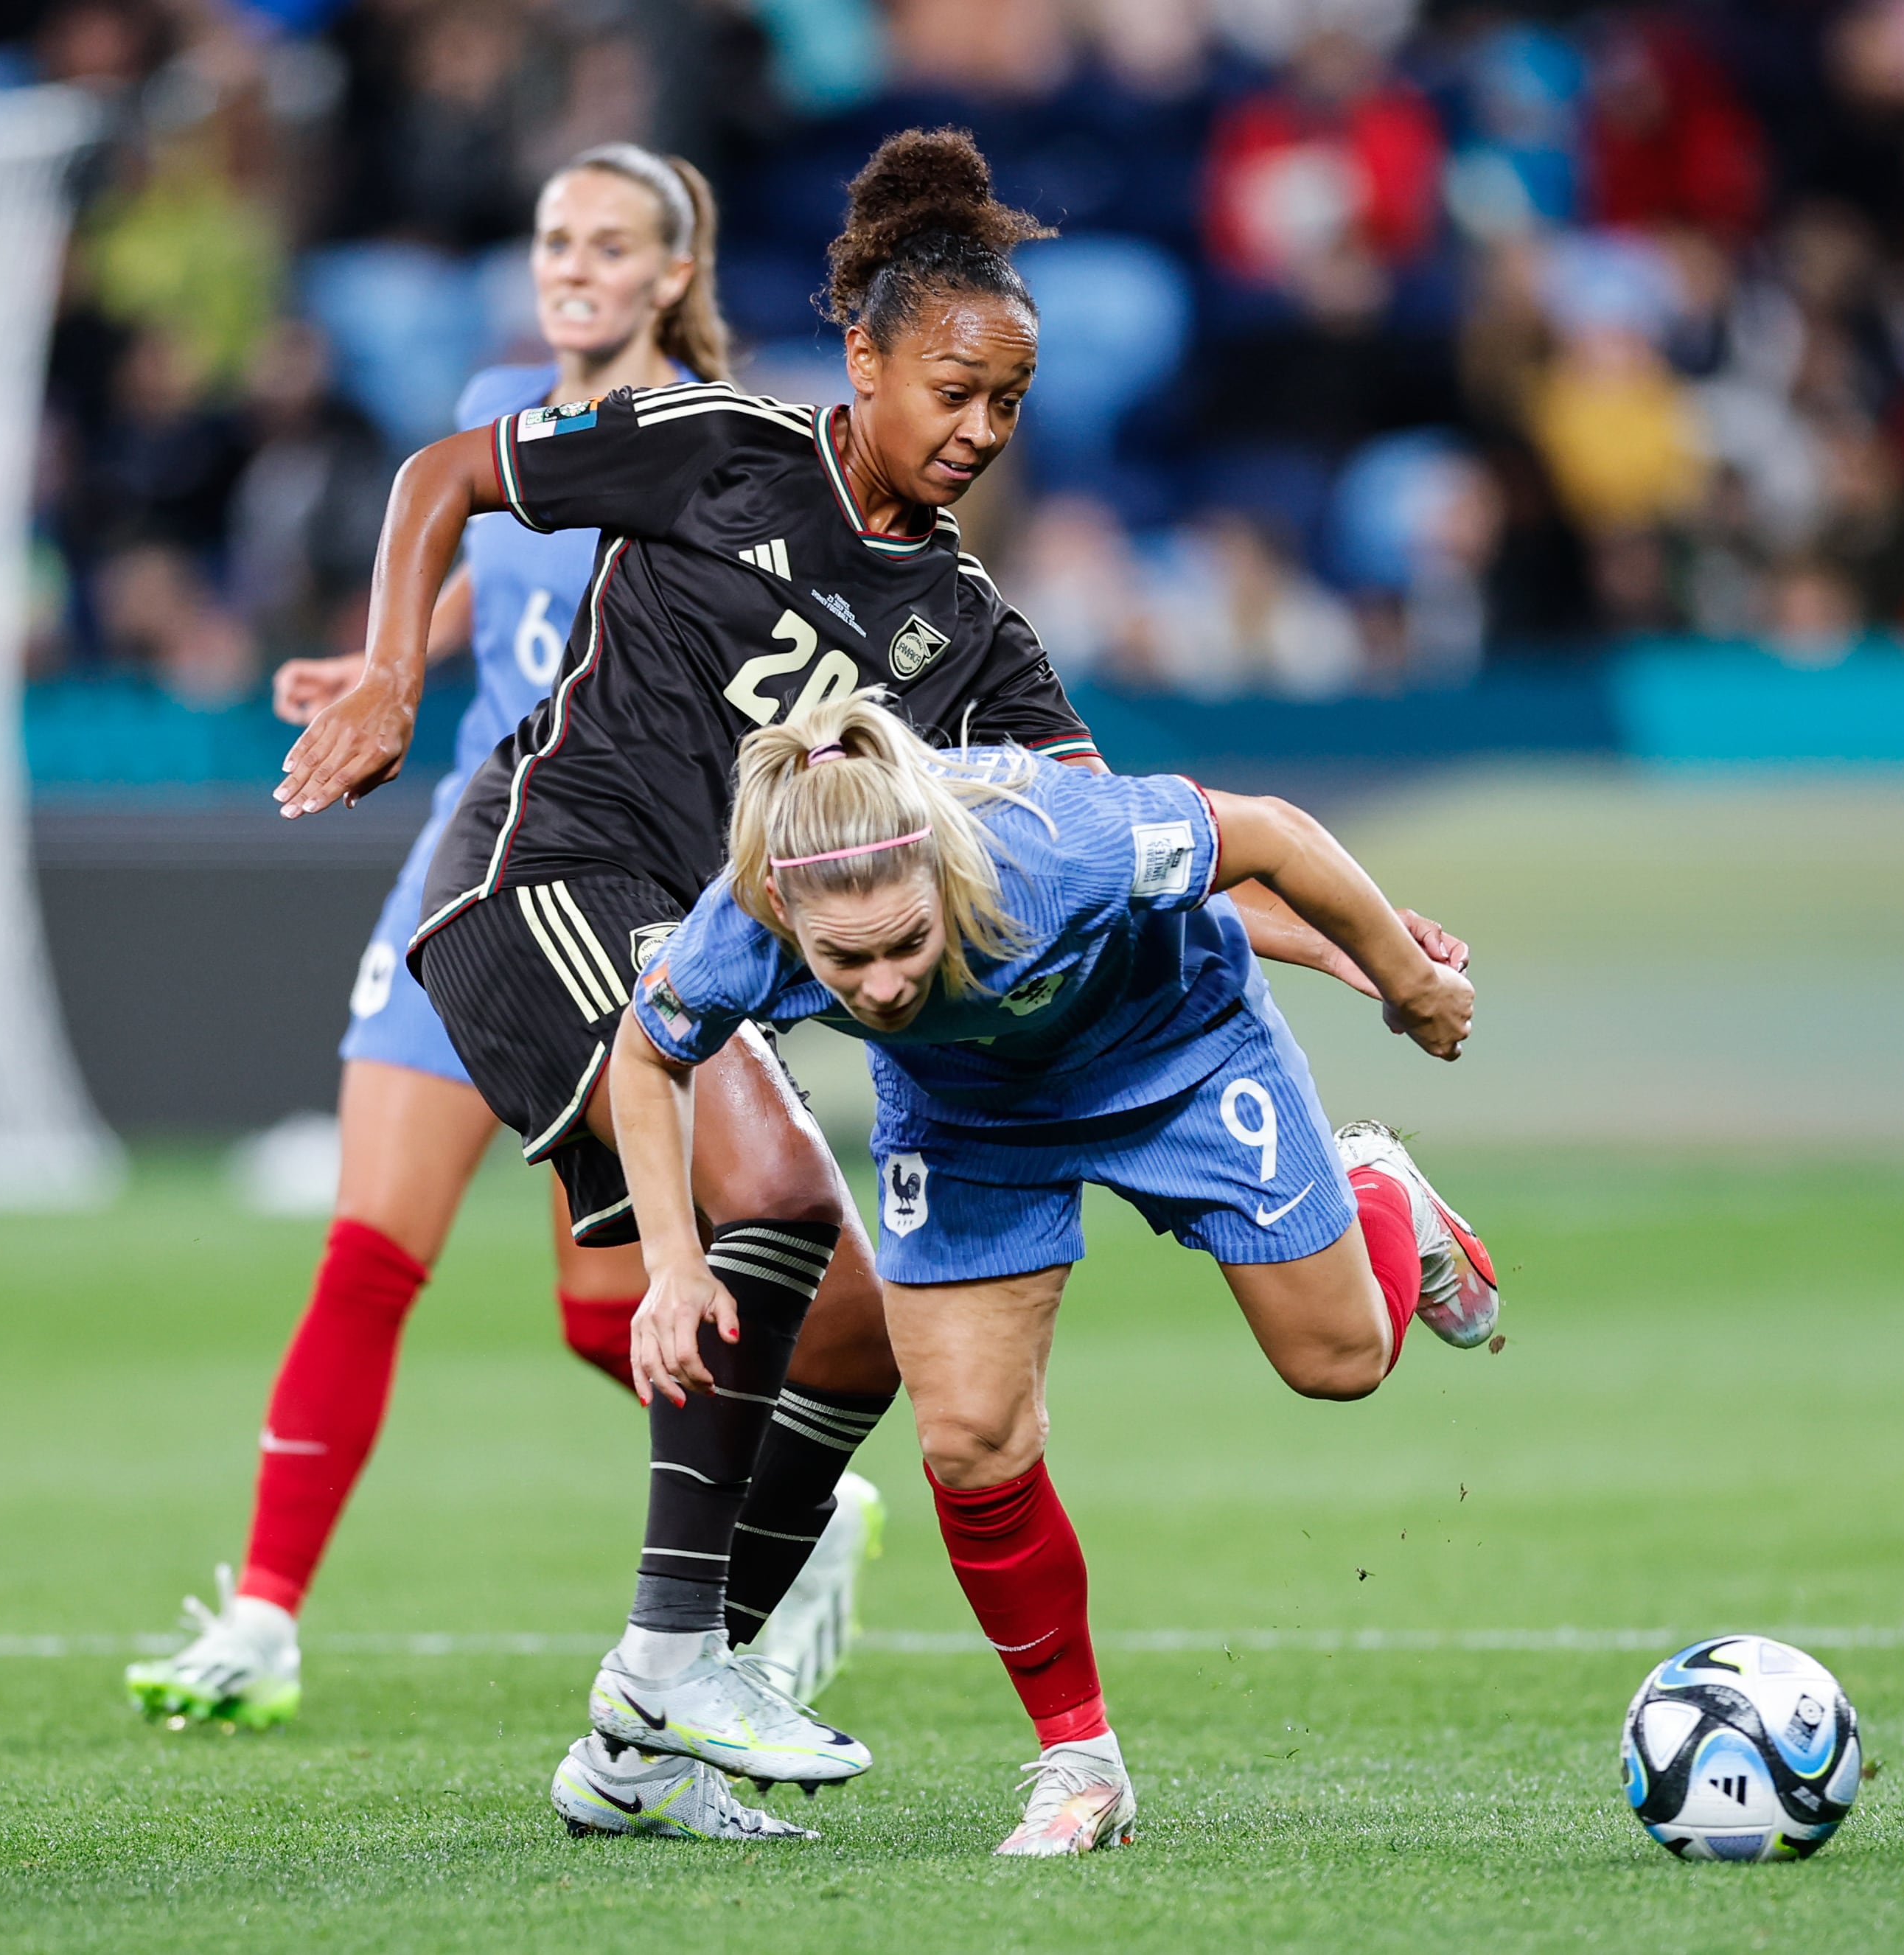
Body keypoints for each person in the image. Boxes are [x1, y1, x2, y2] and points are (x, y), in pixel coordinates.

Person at [275, 128, 1466, 1842]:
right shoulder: (721, 449)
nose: (978, 432)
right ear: (865, 361)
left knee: (845, 1318)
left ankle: (641, 1749)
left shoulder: (972, 634)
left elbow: (1103, 864)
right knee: (771, 1202)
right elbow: (442, 475)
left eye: (1009, 402)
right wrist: (394, 672)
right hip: (543, 879)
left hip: (700, 940)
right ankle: (670, 1660)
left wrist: (1365, 949)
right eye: (951, 389)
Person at [126, 147, 884, 1813]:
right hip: (469, 855)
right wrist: (403, 652)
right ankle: (259, 1618)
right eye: (554, 238)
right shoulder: (496, 406)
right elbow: (504, 555)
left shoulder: (710, 443)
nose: (572, 267)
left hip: (627, 892)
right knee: (365, 1251)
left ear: (671, 273)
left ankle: (786, 1507)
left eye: (610, 244)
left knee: (598, 1311)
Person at [607, 694, 1499, 1857]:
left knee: (1338, 1363)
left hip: (1180, 1049)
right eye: (845, 961)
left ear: (944, 874)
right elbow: (648, 1049)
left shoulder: (1051, 841)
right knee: (969, 1439)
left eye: (906, 946)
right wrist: (672, 1266)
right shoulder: (746, 922)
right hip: (968, 1117)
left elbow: (1272, 834)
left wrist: (1403, 982)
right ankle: (1082, 1764)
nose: (878, 988)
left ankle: (1378, 1186)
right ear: (783, 910)